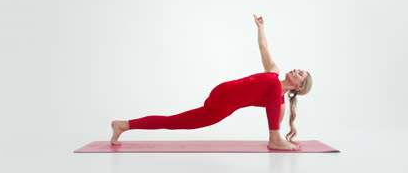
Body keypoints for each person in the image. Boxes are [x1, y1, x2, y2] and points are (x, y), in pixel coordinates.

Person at [110, 14, 313, 150]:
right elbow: (264, 47)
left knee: (172, 122)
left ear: (299, 87)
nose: (296, 69)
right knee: (274, 83)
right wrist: (261, 27)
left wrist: (287, 138)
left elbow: (275, 117)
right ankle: (274, 138)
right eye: (298, 69)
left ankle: (123, 125)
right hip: (225, 92)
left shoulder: (280, 104)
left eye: (300, 74)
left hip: (222, 109)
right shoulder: (274, 74)